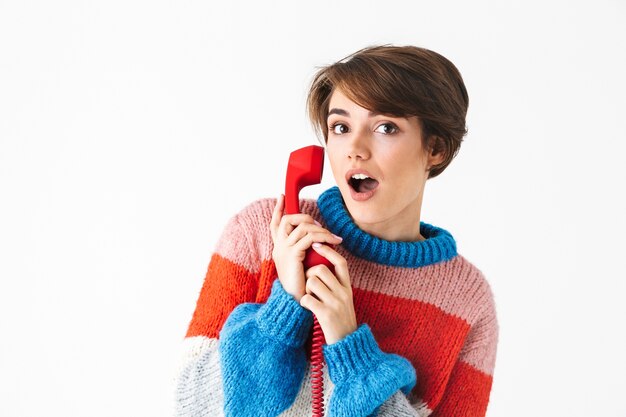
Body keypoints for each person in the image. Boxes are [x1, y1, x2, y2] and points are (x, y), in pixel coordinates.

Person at [174, 45, 498, 417]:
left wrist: (350, 349)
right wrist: (285, 308)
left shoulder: (467, 302)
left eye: (385, 127)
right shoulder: (261, 233)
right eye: (340, 127)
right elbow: (194, 406)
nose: (354, 149)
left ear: (435, 148)